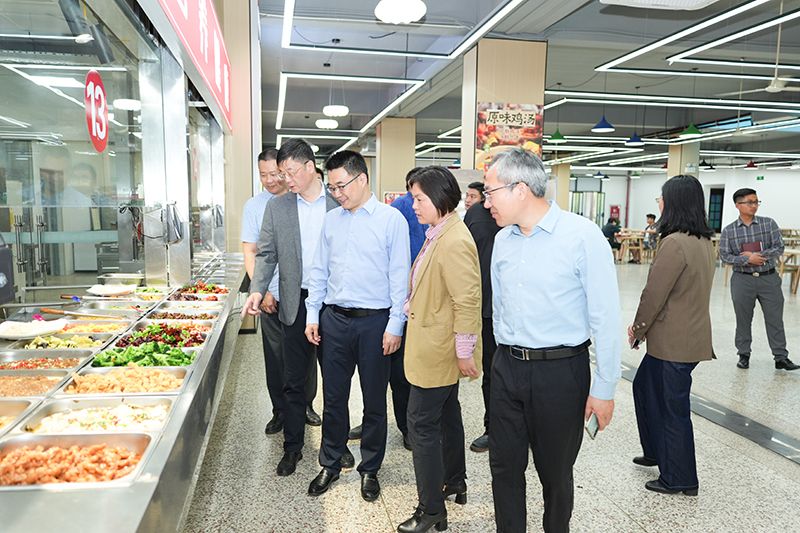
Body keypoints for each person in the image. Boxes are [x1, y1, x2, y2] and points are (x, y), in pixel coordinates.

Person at [484, 148, 620, 533]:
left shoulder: (582, 236)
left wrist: (604, 389)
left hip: (560, 372)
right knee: (504, 467)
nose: (486, 201)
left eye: (490, 192)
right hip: (507, 367)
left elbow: (606, 317)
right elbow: (500, 307)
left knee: (555, 473)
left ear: (520, 189)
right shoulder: (503, 241)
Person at [304, 150, 410, 502]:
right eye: (332, 188)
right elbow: (319, 270)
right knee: (333, 397)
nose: (337, 194)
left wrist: (395, 325)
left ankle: (370, 468)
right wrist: (313, 314)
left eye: (341, 186)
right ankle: (331, 463)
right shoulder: (331, 221)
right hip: (334, 320)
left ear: (362, 179)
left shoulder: (390, 220)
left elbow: (399, 277)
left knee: (374, 399)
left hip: (375, 323)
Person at [243, 138, 349, 477]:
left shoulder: (338, 202)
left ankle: (337, 445)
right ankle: (292, 447)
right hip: (295, 302)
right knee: (293, 380)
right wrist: (257, 290)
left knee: (335, 381)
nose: (284, 179)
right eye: (281, 173)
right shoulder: (279, 208)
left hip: (333, 304)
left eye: (290, 172)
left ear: (309, 167)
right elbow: (266, 254)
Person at [396, 166, 481, 533]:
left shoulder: (454, 240)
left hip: (439, 349)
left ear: (439, 197)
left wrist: (464, 351)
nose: (414, 205)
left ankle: (431, 510)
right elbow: (433, 288)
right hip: (436, 343)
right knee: (447, 414)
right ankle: (454, 480)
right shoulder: (440, 232)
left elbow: (467, 301)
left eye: (419, 199)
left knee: (421, 425)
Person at [628, 175, 716, 497]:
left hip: (674, 343)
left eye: (661, 198)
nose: (660, 204)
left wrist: (638, 329)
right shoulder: (702, 240)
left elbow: (654, 294)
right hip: (687, 337)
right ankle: (656, 450)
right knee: (643, 387)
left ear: (674, 202)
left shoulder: (675, 242)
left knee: (671, 409)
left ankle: (680, 478)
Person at [349, 169, 427, 446]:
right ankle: (397, 427)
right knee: (386, 374)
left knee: (397, 374)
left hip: (410, 300)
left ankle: (406, 427)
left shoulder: (421, 211)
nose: (416, 202)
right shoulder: (402, 208)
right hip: (400, 299)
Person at [241, 149, 297, 435]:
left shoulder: (300, 199)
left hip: (300, 293)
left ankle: (304, 405)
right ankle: (280, 411)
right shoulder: (255, 206)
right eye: (263, 175)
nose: (270, 180)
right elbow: (250, 252)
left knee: (303, 355)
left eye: (275, 174)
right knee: (275, 357)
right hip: (269, 295)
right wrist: (261, 292)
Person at [719, 188, 798, 371]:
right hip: (742, 280)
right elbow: (724, 256)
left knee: (775, 319)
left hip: (768, 278)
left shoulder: (768, 224)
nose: (754, 205)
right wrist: (747, 260)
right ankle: (743, 355)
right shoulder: (729, 231)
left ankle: (781, 357)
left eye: (756, 202)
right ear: (738, 205)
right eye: (750, 202)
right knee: (743, 319)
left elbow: (779, 247)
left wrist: (757, 256)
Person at [464, 180, 500, 454]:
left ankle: (528, 431)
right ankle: (493, 429)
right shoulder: (477, 214)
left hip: (521, 312)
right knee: (492, 372)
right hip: (486, 310)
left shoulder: (527, 221)